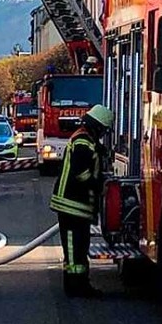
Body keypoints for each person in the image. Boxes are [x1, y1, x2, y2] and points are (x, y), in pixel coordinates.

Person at [49, 104, 114, 298]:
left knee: (79, 246)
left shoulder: (85, 139)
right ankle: (75, 286)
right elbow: (81, 174)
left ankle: (79, 284)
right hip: (71, 204)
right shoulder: (83, 143)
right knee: (73, 248)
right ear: (98, 127)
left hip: (78, 206)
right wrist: (99, 183)